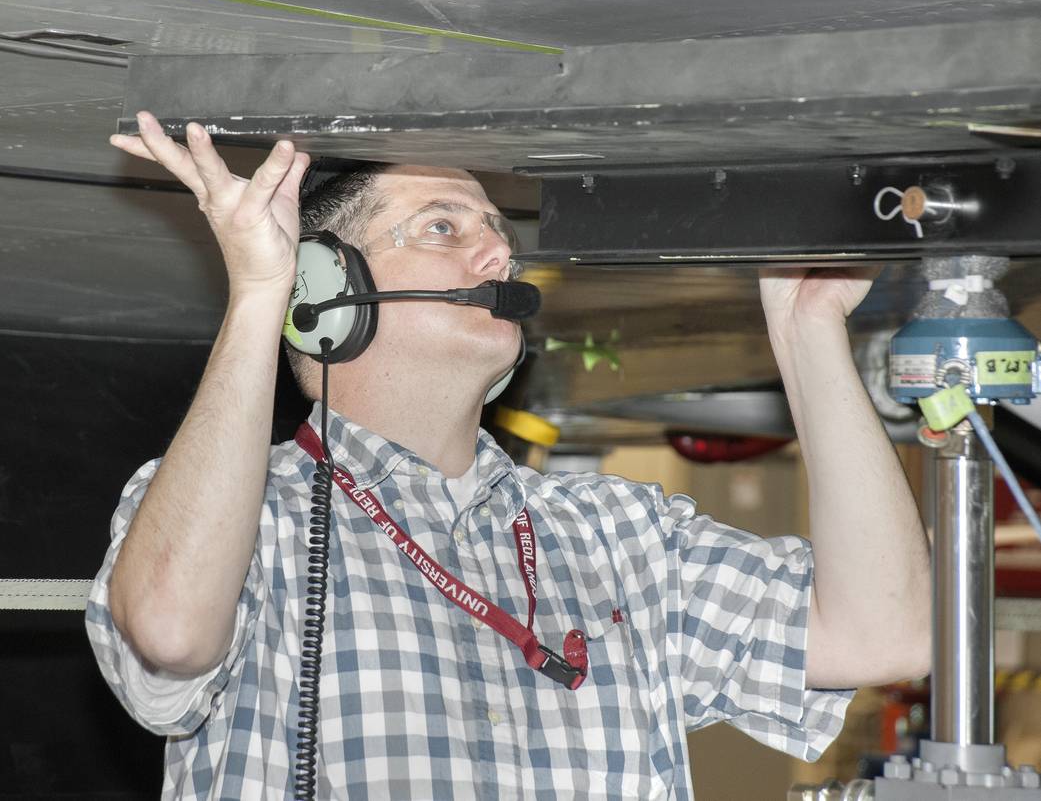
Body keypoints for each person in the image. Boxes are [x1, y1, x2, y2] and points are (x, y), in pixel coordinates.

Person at [86, 111, 931, 800]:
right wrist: (261, 293)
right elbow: (169, 632)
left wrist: (808, 329)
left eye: (496, 232)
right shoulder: (242, 515)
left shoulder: (618, 528)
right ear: (327, 293)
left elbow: (882, 632)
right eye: (442, 227)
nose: (497, 254)